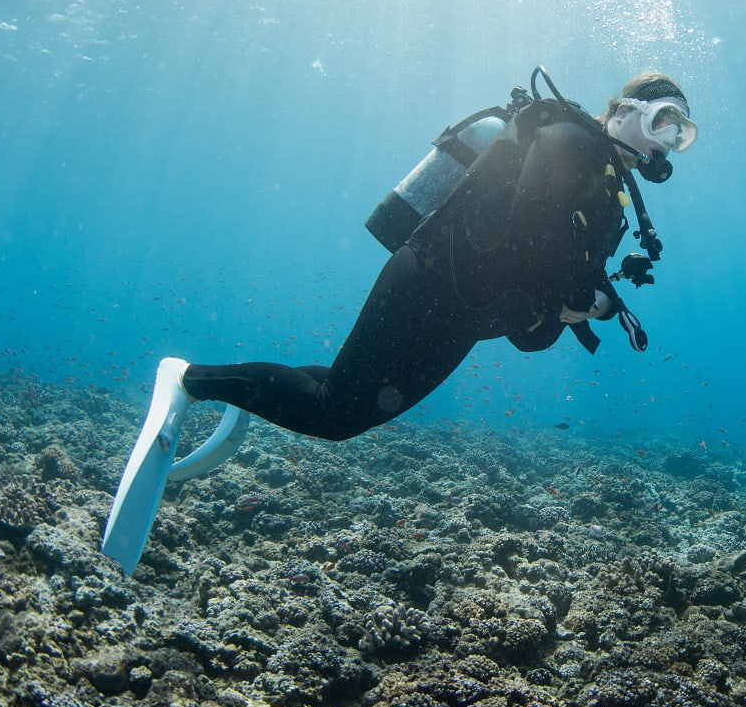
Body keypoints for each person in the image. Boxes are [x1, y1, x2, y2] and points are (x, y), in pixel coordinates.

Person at [102, 70, 697, 574]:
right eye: (662, 119)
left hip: (464, 309)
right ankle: (189, 380)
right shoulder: (570, 141)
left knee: (352, 403)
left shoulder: (606, 188)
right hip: (431, 278)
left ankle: (244, 389)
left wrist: (588, 303)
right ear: (621, 112)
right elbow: (531, 239)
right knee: (334, 412)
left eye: (681, 131)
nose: (668, 140)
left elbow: (544, 295)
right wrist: (582, 300)